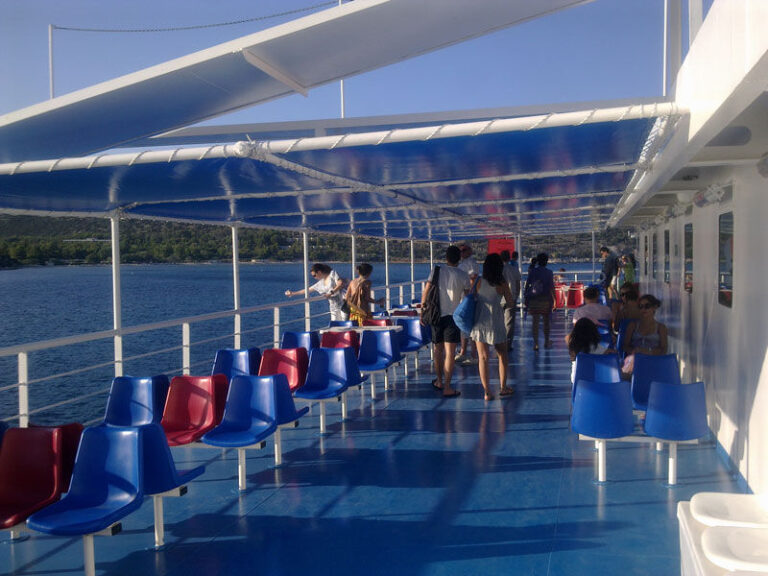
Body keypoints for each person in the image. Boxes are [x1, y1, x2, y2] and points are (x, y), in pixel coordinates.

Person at [420, 245, 470, 398]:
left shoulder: (436, 270)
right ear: (459, 258)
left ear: (446, 257)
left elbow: (426, 290)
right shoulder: (463, 275)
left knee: (438, 350)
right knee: (450, 353)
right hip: (453, 317)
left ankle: (439, 381)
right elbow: (467, 298)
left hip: (436, 315)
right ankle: (448, 387)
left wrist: (422, 311)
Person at [470, 253, 516, 401]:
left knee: (483, 358)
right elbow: (510, 302)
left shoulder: (477, 281)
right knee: (503, 355)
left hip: (479, 323)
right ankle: (503, 387)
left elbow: (470, 298)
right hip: (496, 323)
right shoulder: (502, 283)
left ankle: (487, 392)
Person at [622, 294, 668, 373]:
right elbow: (625, 346)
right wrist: (634, 351)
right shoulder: (632, 326)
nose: (643, 309)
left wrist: (648, 351)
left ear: (654, 307)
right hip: (635, 361)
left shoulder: (661, 328)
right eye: (641, 306)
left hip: (654, 361)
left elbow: (664, 349)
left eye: (647, 306)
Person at [524, 252, 555, 351]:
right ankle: (546, 341)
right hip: (545, 299)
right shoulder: (549, 272)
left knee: (535, 322)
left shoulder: (533, 271)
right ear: (546, 261)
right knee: (546, 322)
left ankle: (536, 343)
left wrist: (526, 297)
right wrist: (554, 300)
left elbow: (527, 284)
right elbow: (551, 287)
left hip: (534, 299)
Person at [455, 242, 479, 365]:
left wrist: (469, 294)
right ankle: (463, 352)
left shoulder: (471, 263)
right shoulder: (462, 264)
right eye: (460, 251)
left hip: (468, 299)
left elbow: (473, 278)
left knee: (470, 326)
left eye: (464, 250)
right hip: (463, 298)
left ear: (470, 251)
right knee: (463, 327)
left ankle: (474, 355)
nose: (461, 252)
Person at [567, 318, 612, 384]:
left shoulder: (573, 346)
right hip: (594, 379)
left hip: (576, 380)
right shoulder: (594, 347)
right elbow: (610, 352)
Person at [500, 250, 521, 350]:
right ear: (509, 258)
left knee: (499, 321)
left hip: (499, 298)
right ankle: (507, 344)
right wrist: (516, 296)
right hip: (511, 297)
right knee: (509, 322)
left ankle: (499, 343)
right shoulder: (514, 269)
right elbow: (518, 285)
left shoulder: (498, 270)